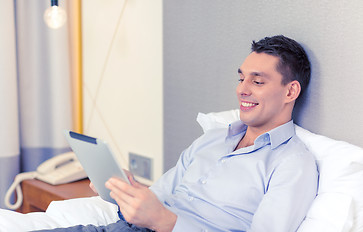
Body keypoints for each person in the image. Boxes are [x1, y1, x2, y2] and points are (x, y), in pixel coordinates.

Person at [36, 35, 318, 232]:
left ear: (290, 91)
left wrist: (167, 223)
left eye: (257, 81)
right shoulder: (212, 139)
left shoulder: (293, 164)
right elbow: (158, 200)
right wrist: (129, 195)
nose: (242, 89)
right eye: (241, 78)